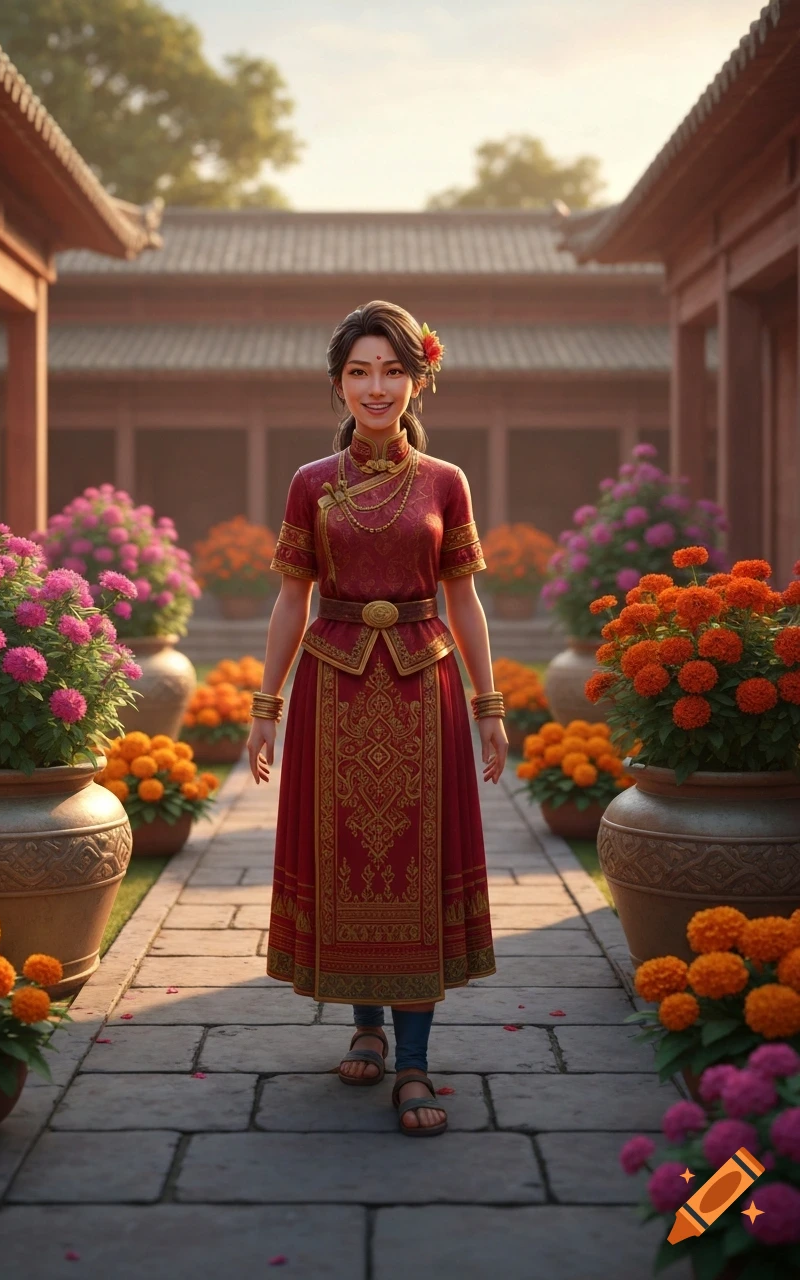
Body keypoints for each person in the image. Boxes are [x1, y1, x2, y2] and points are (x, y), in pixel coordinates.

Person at [247, 299, 507, 1137]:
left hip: (422, 685)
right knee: (353, 852)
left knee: (414, 862)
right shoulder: (310, 486)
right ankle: (364, 1021)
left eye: (393, 370)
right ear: (337, 384)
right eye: (359, 371)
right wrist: (266, 705)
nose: (377, 386)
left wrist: (487, 704)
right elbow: (292, 599)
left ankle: (416, 1062)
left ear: (419, 379)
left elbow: (464, 599)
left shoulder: (446, 482)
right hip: (333, 686)